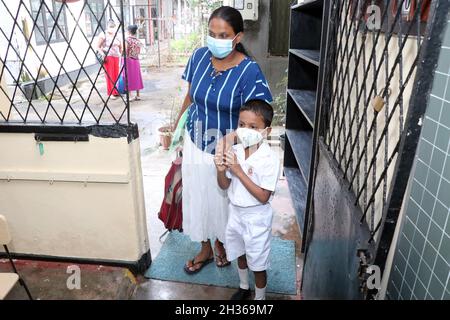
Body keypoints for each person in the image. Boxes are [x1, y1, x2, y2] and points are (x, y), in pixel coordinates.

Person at [174, 6, 273, 274]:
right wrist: (177, 128)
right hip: (195, 141)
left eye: (223, 34)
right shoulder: (198, 57)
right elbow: (191, 95)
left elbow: (259, 117)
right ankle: (205, 246)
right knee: (198, 196)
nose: (215, 40)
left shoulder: (248, 71)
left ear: (237, 37)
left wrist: (232, 140)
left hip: (225, 150)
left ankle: (222, 243)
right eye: (211, 33)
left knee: (223, 200)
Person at [214, 100, 280, 300]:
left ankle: (260, 299)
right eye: (241, 125)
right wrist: (220, 171)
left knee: (258, 263)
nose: (245, 130)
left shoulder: (269, 160)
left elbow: (263, 197)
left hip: (256, 218)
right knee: (238, 252)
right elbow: (224, 186)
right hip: (235, 212)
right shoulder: (235, 152)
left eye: (253, 127)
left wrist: (238, 171)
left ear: (266, 131)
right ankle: (244, 286)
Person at [97, 19, 122, 99]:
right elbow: (98, 47)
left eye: (113, 27)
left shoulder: (116, 34)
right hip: (108, 56)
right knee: (110, 75)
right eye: (111, 27)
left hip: (116, 56)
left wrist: (121, 52)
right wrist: (102, 54)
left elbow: (120, 44)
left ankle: (115, 91)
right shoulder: (103, 34)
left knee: (116, 74)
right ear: (108, 27)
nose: (112, 28)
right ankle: (110, 92)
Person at [123, 24, 144, 101]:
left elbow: (124, 50)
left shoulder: (127, 40)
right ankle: (138, 95)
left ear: (129, 31)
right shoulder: (137, 40)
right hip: (136, 59)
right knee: (137, 76)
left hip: (129, 60)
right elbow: (139, 50)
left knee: (128, 77)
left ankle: (130, 95)